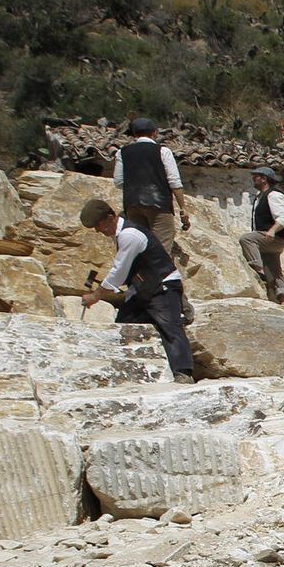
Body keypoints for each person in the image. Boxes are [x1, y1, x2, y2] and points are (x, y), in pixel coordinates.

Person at [78, 199, 194, 384]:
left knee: (170, 327)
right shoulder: (121, 234)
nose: (98, 230)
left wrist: (96, 295)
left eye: (98, 225)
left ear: (110, 217)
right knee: (123, 324)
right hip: (142, 288)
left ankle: (183, 373)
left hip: (162, 286)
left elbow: (119, 271)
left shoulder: (130, 235)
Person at [114, 117, 187, 253]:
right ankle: (160, 274)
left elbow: (118, 182)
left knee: (140, 247)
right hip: (159, 204)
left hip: (132, 205)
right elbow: (174, 182)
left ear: (135, 134)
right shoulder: (163, 151)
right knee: (161, 248)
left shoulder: (122, 152)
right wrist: (183, 208)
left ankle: (143, 273)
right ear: (155, 133)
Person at [239, 166, 284, 305]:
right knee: (274, 269)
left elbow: (283, 218)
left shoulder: (273, 195)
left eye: (256, 176)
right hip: (269, 240)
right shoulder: (261, 196)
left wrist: (273, 230)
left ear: (264, 179)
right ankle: (282, 299)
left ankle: (258, 270)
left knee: (246, 239)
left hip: (275, 238)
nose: (253, 179)